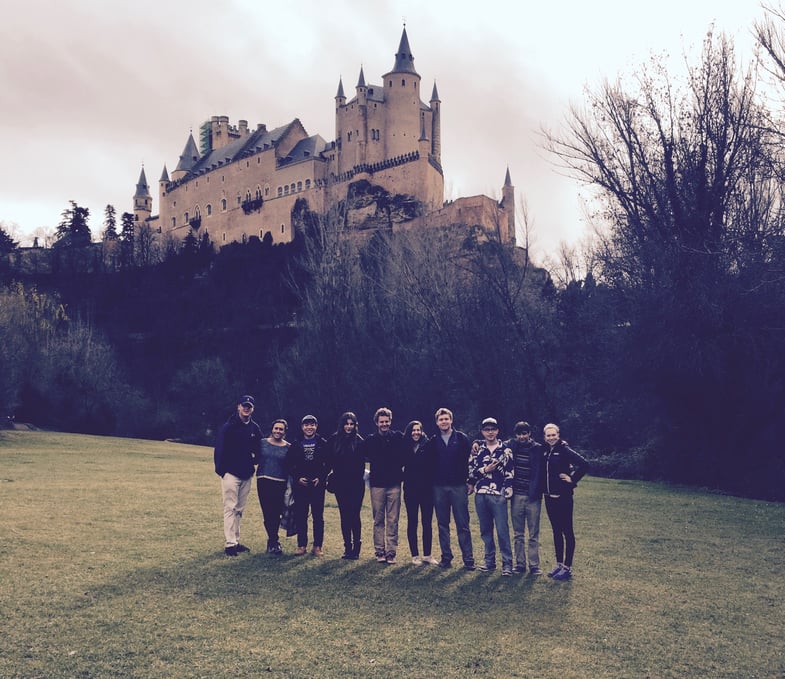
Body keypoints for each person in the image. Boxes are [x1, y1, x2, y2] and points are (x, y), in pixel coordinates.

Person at [426, 407, 476, 571]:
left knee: (463, 524)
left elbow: (472, 460)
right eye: (441, 420)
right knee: (443, 524)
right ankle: (446, 557)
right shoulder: (433, 441)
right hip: (439, 488)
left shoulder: (462, 439)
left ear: (451, 420)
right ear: (437, 422)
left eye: (446, 419)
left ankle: (468, 559)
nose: (444, 422)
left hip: (458, 487)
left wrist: (471, 481)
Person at [214, 395, 262, 556]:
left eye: (249, 406)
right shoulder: (229, 426)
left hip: (246, 474)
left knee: (239, 509)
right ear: (238, 407)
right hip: (231, 474)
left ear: (253, 409)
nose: (246, 408)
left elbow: (260, 448)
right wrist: (222, 471)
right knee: (230, 507)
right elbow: (219, 449)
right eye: (244, 406)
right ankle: (229, 544)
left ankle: (235, 540)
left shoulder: (254, 428)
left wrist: (255, 460)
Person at [542, 423, 589, 580]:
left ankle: (567, 567)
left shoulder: (564, 449)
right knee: (556, 531)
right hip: (549, 497)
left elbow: (584, 464)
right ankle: (559, 564)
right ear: (544, 437)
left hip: (564, 497)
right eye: (548, 435)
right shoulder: (544, 450)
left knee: (567, 531)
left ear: (558, 435)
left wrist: (572, 479)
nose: (551, 438)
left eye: (553, 435)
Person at [468, 418, 514, 575]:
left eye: (493, 429)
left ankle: (507, 564)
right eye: (487, 429)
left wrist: (507, 491)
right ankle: (489, 561)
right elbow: (471, 471)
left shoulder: (505, 450)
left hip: (498, 495)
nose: (490, 432)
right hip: (480, 494)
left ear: (497, 431)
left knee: (502, 530)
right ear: (482, 432)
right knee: (485, 530)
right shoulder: (477, 450)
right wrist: (485, 470)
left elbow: (510, 473)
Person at [361, 407, 407, 564]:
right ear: (376, 423)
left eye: (387, 421)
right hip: (377, 486)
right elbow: (357, 452)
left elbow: (417, 439)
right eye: (381, 422)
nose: (384, 424)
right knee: (378, 519)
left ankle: (391, 552)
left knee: (393, 520)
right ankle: (379, 551)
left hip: (394, 485)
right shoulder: (370, 440)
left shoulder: (398, 437)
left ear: (390, 421)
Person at [286, 415, 329, 556]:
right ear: (302, 427)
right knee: (301, 516)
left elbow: (328, 463)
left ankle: (317, 546)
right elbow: (289, 463)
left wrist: (321, 477)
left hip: (317, 485)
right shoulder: (296, 443)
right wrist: (297, 477)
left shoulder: (322, 442)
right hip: (301, 485)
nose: (309, 427)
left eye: (312, 425)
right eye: (306, 425)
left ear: (316, 426)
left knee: (318, 517)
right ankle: (301, 545)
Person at [325, 412, 366, 560]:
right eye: (346, 424)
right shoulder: (334, 440)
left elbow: (361, 466)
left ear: (355, 425)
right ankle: (347, 547)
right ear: (342, 425)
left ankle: (356, 548)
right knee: (344, 515)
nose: (349, 427)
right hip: (340, 484)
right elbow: (328, 462)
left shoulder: (360, 442)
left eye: (351, 424)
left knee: (355, 515)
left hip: (356, 484)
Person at [507, 421, 545, 575]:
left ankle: (534, 565)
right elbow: (492, 441)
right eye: (519, 434)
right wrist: (477, 442)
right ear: (515, 435)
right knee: (518, 533)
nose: (522, 436)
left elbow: (553, 446)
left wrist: (562, 443)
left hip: (533, 496)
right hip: (516, 495)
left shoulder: (538, 449)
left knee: (533, 532)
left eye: (525, 433)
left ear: (529, 433)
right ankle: (520, 564)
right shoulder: (511, 445)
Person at [403, 420, 437, 565]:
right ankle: (415, 555)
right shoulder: (404, 446)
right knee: (412, 522)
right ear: (409, 432)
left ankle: (427, 555)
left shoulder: (428, 445)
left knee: (427, 522)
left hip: (427, 490)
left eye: (418, 430)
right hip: (410, 490)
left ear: (422, 431)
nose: (416, 432)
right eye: (413, 430)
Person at [256, 418, 290, 555]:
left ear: (284, 432)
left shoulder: (289, 447)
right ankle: (272, 541)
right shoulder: (262, 443)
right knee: (267, 512)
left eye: (281, 429)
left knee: (276, 513)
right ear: (272, 429)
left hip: (280, 482)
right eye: (276, 428)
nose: (278, 431)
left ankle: (274, 540)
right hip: (263, 481)